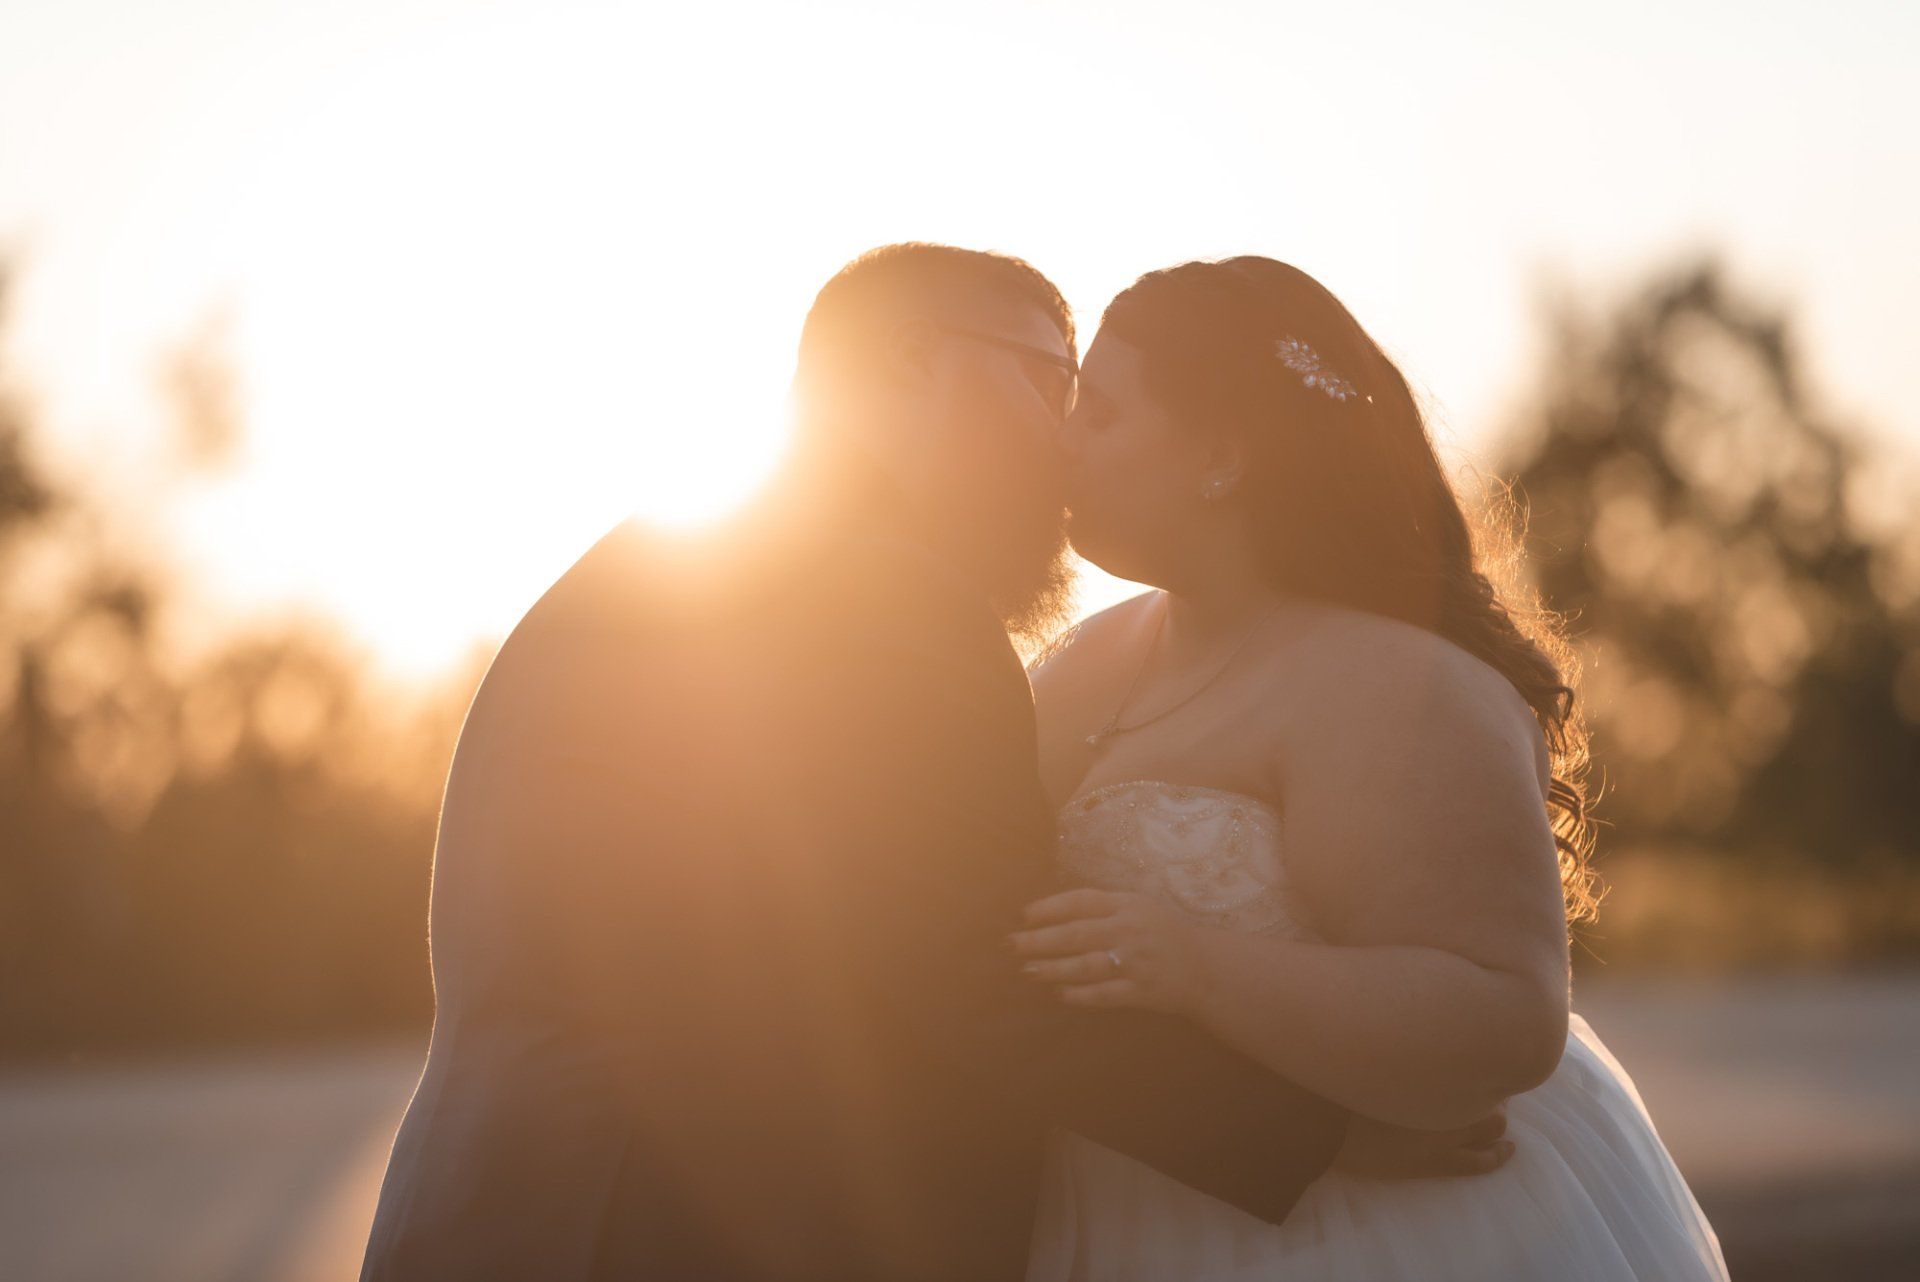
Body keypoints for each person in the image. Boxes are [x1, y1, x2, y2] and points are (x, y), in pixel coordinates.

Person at [357, 244, 1506, 1282]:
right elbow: (971, 970)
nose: (1064, 441)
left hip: (503, 1211)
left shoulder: (663, 560)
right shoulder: (883, 591)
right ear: (918, 362)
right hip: (669, 1230)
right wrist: (1335, 1132)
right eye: (1051, 382)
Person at [1014, 256, 1731, 1280]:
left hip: (1379, 1229)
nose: (1062, 440)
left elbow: (1503, 1013)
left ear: (1220, 456)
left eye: (1101, 413)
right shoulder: (1090, 652)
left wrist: (1194, 966)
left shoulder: (1405, 689)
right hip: (1132, 1187)